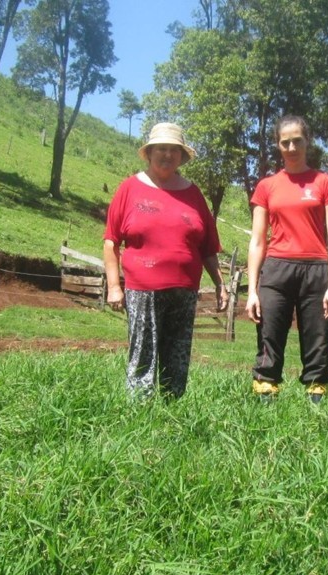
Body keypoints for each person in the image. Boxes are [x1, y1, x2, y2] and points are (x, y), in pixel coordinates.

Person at [103, 122, 229, 399]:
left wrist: (220, 284)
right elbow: (111, 242)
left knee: (177, 354)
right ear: (149, 152)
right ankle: (139, 412)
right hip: (142, 288)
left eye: (174, 150)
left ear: (182, 156)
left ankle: (173, 412)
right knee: (143, 353)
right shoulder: (129, 189)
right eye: (161, 148)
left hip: (184, 292)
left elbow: (208, 247)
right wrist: (114, 286)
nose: (167, 155)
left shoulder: (193, 194)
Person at [245, 115, 328, 403]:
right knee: (269, 336)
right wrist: (252, 291)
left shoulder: (325, 183)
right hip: (276, 271)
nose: (291, 147)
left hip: (317, 270)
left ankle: (317, 408)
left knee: (317, 342)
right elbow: (257, 240)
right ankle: (265, 399)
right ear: (278, 145)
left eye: (297, 140)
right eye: (285, 142)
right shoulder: (266, 186)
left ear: (307, 141)